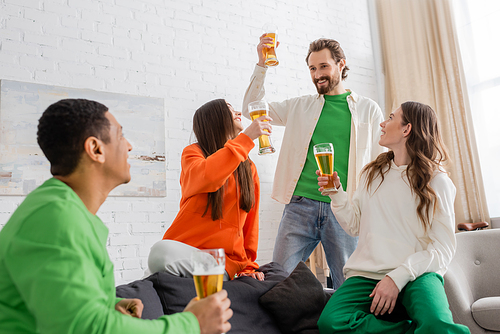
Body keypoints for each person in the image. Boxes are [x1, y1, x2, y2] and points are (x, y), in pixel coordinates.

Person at [0, 99, 233, 334]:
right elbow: (88, 328)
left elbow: (53, 301)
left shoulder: (65, 211)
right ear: (96, 149)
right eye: (121, 136)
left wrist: (108, 305)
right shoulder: (56, 219)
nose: (129, 146)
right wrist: (192, 324)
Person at [242, 37, 385, 288]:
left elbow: (378, 163)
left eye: (323, 66)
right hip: (299, 206)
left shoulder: (368, 109)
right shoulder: (300, 106)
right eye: (312, 68)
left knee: (348, 286)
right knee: (278, 281)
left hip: (344, 209)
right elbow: (251, 108)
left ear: (341, 65)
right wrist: (262, 65)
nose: (317, 74)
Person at [317, 101, 470, 333]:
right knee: (332, 321)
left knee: (437, 325)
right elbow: (354, 225)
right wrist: (336, 194)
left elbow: (444, 249)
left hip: (418, 273)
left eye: (390, 117)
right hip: (366, 274)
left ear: (406, 129)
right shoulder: (372, 173)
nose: (383, 123)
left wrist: (396, 277)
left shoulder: (437, 181)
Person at [147, 99, 272, 281]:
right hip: (182, 249)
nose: (238, 113)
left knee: (159, 254)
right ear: (216, 120)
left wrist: (249, 266)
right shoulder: (193, 154)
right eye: (230, 110)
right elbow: (209, 176)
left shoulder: (248, 168)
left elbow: (250, 221)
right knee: (152, 270)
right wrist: (246, 138)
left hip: (221, 261)